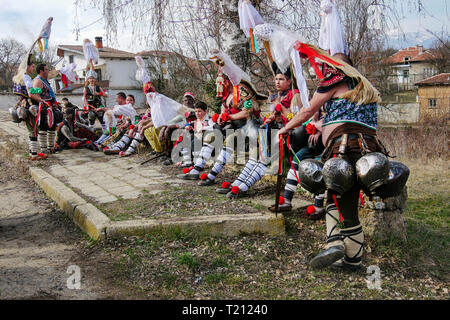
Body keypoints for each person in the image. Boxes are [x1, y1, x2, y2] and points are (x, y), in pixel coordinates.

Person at [278, 50, 385, 271]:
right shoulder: (365, 86)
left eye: (327, 65)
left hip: (344, 147)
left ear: (336, 66)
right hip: (368, 150)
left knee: (336, 194)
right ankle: (351, 257)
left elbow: (308, 110)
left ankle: (335, 243)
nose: (325, 69)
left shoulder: (336, 78)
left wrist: (286, 128)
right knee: (346, 198)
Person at [11, 53, 46, 160]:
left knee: (32, 128)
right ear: (27, 67)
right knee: (34, 129)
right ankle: (34, 154)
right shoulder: (26, 77)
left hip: (24, 104)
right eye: (32, 66)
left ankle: (32, 152)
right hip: (30, 105)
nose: (34, 67)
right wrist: (40, 93)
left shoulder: (22, 77)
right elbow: (30, 92)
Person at [29, 63, 63, 155]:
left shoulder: (45, 80)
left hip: (50, 107)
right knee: (43, 128)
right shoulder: (38, 81)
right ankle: (44, 149)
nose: (48, 71)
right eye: (46, 69)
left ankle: (51, 147)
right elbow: (33, 95)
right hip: (44, 108)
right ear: (41, 71)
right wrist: (42, 101)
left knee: (52, 127)